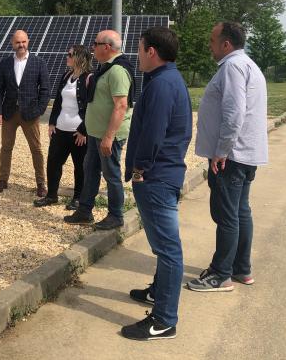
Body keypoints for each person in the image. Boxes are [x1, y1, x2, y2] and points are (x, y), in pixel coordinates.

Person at [120, 27, 192, 341]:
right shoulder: (166, 80)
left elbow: (153, 133)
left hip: (156, 178)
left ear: (152, 52)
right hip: (162, 175)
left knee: (168, 250)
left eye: (139, 49)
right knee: (164, 248)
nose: (137, 55)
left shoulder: (162, 85)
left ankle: (163, 320)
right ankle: (158, 293)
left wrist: (140, 168)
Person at [186, 21, 268, 292]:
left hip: (231, 156)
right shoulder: (248, 65)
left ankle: (221, 275)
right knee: (240, 211)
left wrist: (221, 151)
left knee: (227, 215)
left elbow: (234, 113)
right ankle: (240, 269)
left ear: (226, 44)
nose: (209, 46)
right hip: (245, 153)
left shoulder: (232, 67)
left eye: (212, 41)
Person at [64, 30, 134, 230]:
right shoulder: (106, 68)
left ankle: (116, 215)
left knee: (111, 175)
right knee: (90, 171)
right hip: (96, 133)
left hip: (107, 136)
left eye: (95, 44)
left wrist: (109, 137)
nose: (92, 48)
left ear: (107, 47)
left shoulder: (118, 71)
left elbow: (121, 106)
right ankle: (85, 211)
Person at [34, 44, 92, 210]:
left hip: (78, 133)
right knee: (53, 163)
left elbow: (91, 107)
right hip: (60, 129)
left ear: (79, 58)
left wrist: (83, 130)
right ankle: (51, 195)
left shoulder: (89, 78)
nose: (67, 57)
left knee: (80, 166)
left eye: (70, 54)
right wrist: (52, 122)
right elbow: (58, 101)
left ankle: (78, 198)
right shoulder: (66, 75)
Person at [0, 30, 50, 196]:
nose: (21, 45)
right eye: (18, 42)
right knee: (6, 147)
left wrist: (39, 110)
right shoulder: (5, 63)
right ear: (12, 43)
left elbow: (45, 90)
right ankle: (3, 180)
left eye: (23, 42)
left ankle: (41, 183)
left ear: (28, 42)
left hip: (30, 114)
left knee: (36, 149)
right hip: (9, 113)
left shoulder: (39, 63)